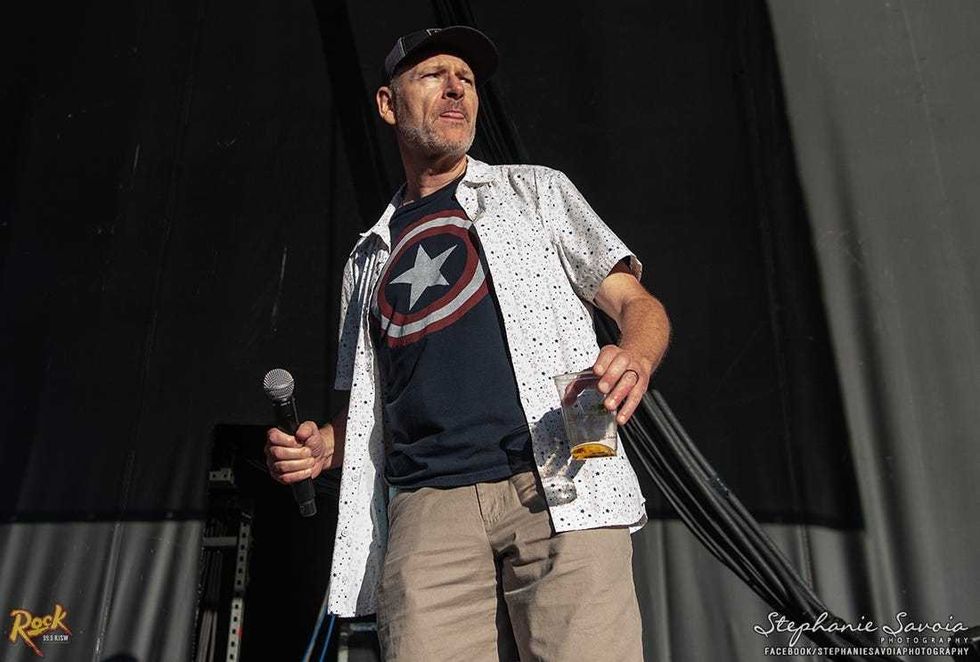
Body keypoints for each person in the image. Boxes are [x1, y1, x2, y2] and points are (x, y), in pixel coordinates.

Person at [266, 26, 671, 661]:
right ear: (387, 104)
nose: (456, 88)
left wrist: (636, 355)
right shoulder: (366, 260)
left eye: (468, 80)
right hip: (428, 514)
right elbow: (366, 413)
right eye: (434, 76)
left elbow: (638, 305)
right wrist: (324, 446)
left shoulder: (535, 191)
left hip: (559, 480)